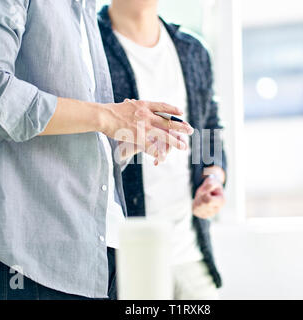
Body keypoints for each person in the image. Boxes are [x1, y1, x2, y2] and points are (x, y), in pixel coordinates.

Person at [0, 0, 193, 300]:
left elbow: (79, 121)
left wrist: (119, 141)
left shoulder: (83, 7)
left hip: (101, 257)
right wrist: (108, 117)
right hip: (33, 259)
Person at [98, 0, 227, 300]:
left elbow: (209, 130)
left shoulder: (192, 51)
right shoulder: (90, 47)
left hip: (192, 256)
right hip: (125, 262)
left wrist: (213, 179)